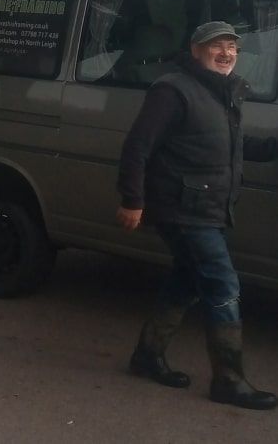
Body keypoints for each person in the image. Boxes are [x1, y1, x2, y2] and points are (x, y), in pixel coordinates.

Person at [116, 20, 276, 411]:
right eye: (216, 46)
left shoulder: (223, 92)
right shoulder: (172, 91)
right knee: (223, 285)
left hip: (207, 207)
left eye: (232, 47)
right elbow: (138, 146)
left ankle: (147, 355)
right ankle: (229, 380)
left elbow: (232, 146)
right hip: (183, 208)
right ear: (195, 50)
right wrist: (132, 200)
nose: (226, 53)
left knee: (186, 282)